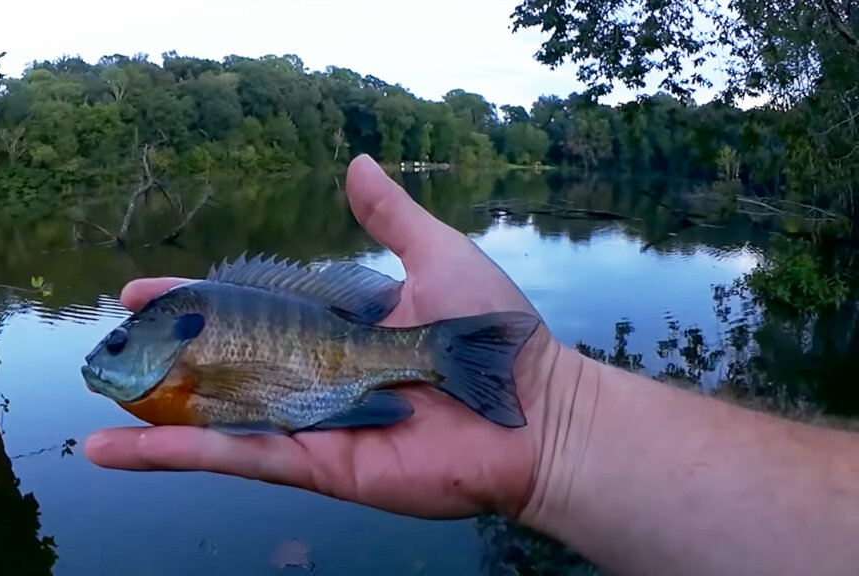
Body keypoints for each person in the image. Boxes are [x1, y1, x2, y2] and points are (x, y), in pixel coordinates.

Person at [84, 154, 859, 575]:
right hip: (340, 383)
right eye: (114, 345)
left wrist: (555, 411)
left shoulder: (186, 357)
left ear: (160, 342)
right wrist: (560, 430)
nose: (108, 354)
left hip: (356, 363)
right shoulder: (182, 356)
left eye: (117, 344)